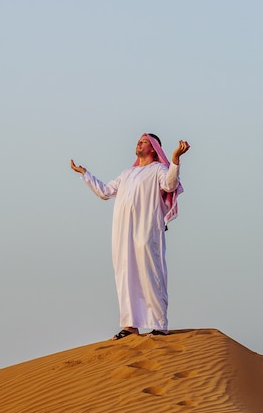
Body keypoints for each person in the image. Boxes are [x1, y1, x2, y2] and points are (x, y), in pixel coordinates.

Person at [70, 133, 190, 340]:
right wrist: (85, 174)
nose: (138, 143)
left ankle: (160, 324)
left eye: (143, 141)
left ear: (153, 148)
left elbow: (170, 185)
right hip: (122, 232)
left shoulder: (158, 170)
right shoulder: (127, 173)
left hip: (146, 230)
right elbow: (105, 192)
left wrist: (176, 160)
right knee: (124, 274)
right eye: (139, 141)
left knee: (150, 273)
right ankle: (130, 325)